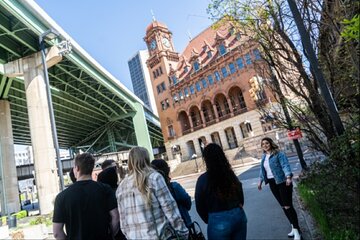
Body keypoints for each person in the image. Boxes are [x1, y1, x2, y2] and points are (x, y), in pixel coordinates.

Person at [116, 147, 188, 240]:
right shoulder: (154, 178)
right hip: (158, 236)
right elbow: (169, 208)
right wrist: (182, 232)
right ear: (147, 159)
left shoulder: (122, 186)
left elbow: (123, 221)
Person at [53, 153, 119, 240]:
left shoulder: (62, 197)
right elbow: (116, 217)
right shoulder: (105, 189)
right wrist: (110, 236)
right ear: (92, 169)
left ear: (77, 168)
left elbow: (57, 233)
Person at [195, 143, 247, 240]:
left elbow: (199, 204)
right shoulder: (230, 174)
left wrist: (209, 219)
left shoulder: (203, 179)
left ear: (206, 159)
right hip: (237, 213)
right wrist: (239, 205)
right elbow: (239, 190)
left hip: (217, 217)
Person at [258, 137, 301, 240]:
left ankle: (297, 232)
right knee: (283, 206)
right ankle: (293, 227)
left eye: (267, 143)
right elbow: (262, 170)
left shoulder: (279, 154)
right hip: (272, 183)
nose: (265, 145)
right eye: (263, 144)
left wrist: (288, 177)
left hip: (283, 182)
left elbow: (285, 165)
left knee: (288, 206)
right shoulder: (264, 157)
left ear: (271, 143)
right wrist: (260, 181)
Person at [151, 159, 192, 228]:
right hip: (183, 224)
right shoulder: (175, 187)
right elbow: (188, 203)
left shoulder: (151, 192)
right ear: (168, 170)